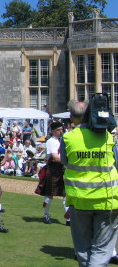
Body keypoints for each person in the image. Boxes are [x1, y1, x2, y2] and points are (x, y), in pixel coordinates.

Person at [61, 99, 118, 266]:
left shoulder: (68, 138)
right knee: (101, 251)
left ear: (73, 118)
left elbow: (65, 161)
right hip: (108, 199)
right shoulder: (108, 137)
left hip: (80, 199)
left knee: (83, 250)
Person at [35, 121, 69, 225]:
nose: (60, 131)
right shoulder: (51, 141)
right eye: (58, 130)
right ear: (53, 131)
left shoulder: (62, 140)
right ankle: (46, 214)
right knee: (49, 195)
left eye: (61, 129)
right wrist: (67, 163)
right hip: (53, 168)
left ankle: (69, 219)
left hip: (62, 169)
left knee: (65, 194)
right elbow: (54, 156)